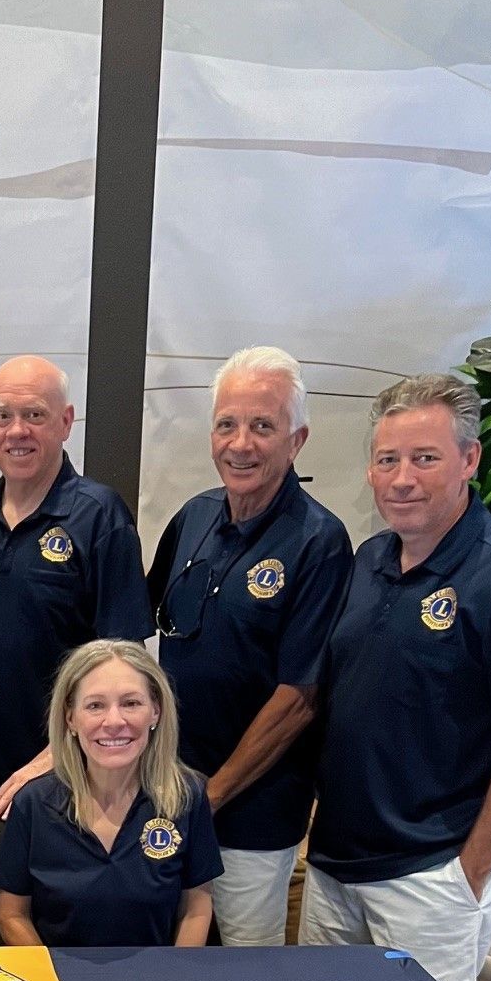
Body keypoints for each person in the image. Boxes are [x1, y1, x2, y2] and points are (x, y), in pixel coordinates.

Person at [301, 373, 491, 981]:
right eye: (387, 460)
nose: (402, 479)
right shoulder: (368, 560)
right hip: (336, 866)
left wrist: (467, 874)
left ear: (469, 459)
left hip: (431, 874)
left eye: (424, 458)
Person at [148, 346, 353, 946]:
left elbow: (299, 699)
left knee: (244, 970)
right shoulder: (193, 517)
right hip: (169, 796)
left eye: (262, 426)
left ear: (296, 440)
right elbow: (141, 627)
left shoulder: (319, 542)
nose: (240, 444)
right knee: (163, 955)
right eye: (226, 425)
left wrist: (209, 798)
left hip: (253, 816)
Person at [0, 357, 151, 820]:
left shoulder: (100, 516)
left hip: (71, 777)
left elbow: (124, 666)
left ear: (66, 422)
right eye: (4, 416)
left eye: (34, 415)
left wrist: (56, 756)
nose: (17, 431)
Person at [0, 641, 220, 947]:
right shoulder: (32, 803)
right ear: (70, 718)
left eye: (131, 703)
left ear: (156, 711)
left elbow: (195, 910)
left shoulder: (187, 797)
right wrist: (49, 975)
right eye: (95, 706)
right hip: (57, 973)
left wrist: (175, 975)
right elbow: (12, 915)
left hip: (156, 974)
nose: (114, 721)